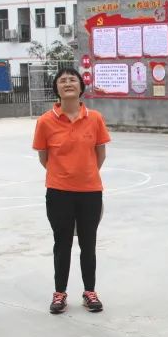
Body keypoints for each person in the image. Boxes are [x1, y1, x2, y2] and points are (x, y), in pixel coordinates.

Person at [33, 68, 111, 314]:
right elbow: (44, 157)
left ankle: (90, 292)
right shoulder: (45, 121)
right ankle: (60, 293)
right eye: (62, 80)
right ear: (56, 88)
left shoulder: (95, 118)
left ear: (81, 86)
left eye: (72, 80)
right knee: (62, 243)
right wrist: (63, 175)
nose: (68, 83)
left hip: (90, 192)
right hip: (59, 192)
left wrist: (85, 174)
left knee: (89, 243)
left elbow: (100, 154)